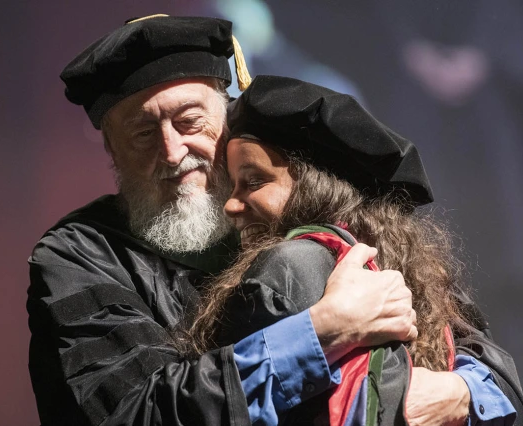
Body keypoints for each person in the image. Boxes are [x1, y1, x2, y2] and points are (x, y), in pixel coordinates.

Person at [27, 15, 419, 426]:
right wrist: (320, 333)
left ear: (229, 116)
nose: (173, 151)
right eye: (143, 134)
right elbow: (136, 412)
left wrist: (461, 390)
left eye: (189, 121)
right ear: (112, 149)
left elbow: (479, 352)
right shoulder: (78, 256)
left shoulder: (294, 204)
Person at [184, 75, 522, 425]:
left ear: (315, 187)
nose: (230, 206)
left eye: (254, 181)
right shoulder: (413, 269)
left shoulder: (290, 266)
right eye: (233, 186)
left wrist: (461, 391)